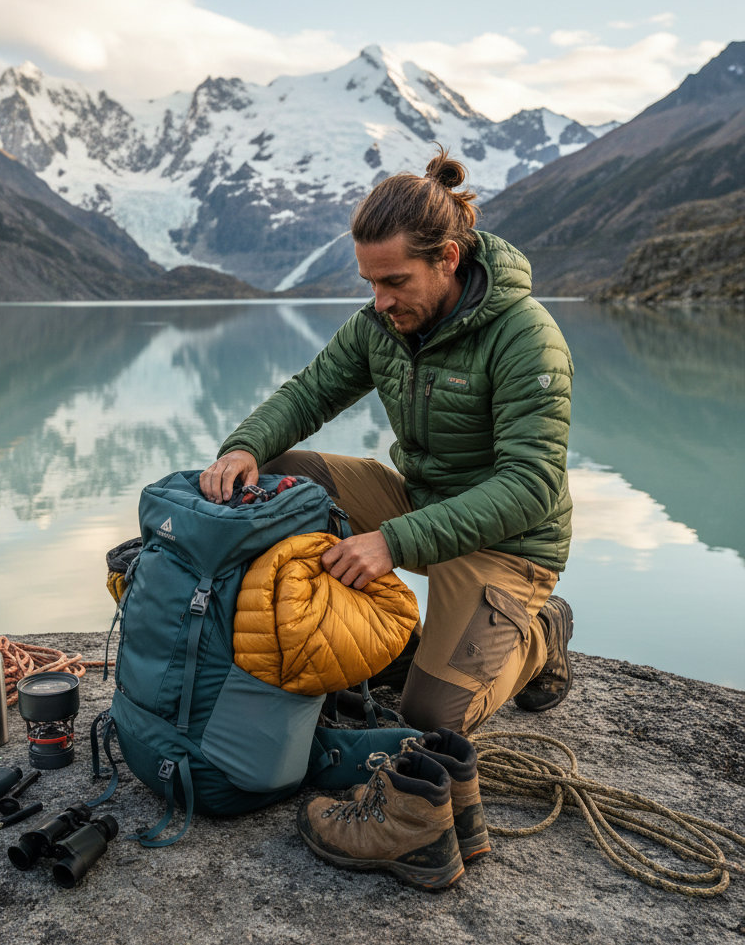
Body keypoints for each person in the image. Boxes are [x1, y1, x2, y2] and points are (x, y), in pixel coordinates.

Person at [199, 145, 574, 737]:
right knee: (275, 473)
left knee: (429, 719)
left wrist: (392, 543)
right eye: (370, 282)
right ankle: (400, 645)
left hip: (510, 545)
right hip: (421, 508)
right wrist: (242, 448)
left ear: (448, 258)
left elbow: (530, 487)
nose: (380, 301)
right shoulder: (381, 324)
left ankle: (542, 633)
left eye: (395, 281)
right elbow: (309, 394)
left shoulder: (528, 337)